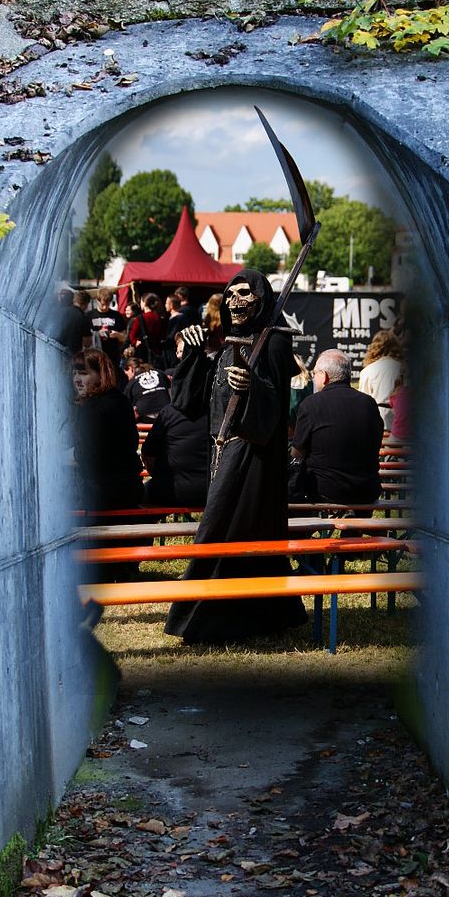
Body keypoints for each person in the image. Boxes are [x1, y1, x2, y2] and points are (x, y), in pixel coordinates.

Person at [164, 270, 305, 643]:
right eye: (230, 294)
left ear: (262, 299)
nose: (236, 300)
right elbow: (187, 403)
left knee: (224, 534)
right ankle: (245, 613)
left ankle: (209, 619)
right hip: (224, 453)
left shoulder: (272, 343)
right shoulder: (230, 346)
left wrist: (254, 387)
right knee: (226, 533)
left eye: (246, 293)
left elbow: (274, 414)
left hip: (252, 460)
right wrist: (193, 356)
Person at [290, 348, 383, 505]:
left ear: (325, 376)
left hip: (324, 490)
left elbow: (296, 453)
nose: (313, 377)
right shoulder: (369, 403)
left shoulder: (311, 404)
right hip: (366, 490)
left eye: (314, 374)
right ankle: (352, 528)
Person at [72, 348, 142, 513]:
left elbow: (87, 456)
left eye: (83, 373)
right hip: (132, 490)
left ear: (100, 375)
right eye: (74, 373)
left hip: (100, 494)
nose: (76, 379)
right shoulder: (122, 400)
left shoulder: (90, 408)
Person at [142, 402, 209, 507]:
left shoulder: (168, 412)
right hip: (212, 490)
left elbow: (147, 454)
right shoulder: (216, 412)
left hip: (172, 490)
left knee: (140, 499)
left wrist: (156, 474)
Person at [357, 330, 405, 432]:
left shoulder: (367, 371)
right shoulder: (402, 368)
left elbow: (363, 401)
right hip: (400, 417)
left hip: (375, 419)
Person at [125, 355, 170, 421]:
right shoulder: (160, 373)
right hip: (167, 412)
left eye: (126, 374)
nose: (127, 378)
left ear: (131, 369)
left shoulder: (132, 382)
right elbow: (170, 390)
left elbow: (126, 405)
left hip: (147, 416)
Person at [127, 291, 167, 362]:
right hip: (158, 349)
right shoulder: (160, 317)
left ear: (145, 303)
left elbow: (132, 335)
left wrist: (135, 342)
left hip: (143, 351)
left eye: (141, 301)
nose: (140, 303)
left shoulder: (140, 318)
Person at [88, 287, 126, 361]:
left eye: (108, 304)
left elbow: (124, 338)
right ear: (97, 301)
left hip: (112, 356)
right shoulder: (89, 316)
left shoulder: (117, 316)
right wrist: (97, 334)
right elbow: (85, 338)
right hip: (94, 356)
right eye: (102, 304)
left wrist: (117, 334)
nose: (105, 307)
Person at [59, 286, 92, 356]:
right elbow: (87, 343)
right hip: (73, 354)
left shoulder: (61, 313)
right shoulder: (83, 318)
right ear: (86, 304)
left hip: (58, 350)